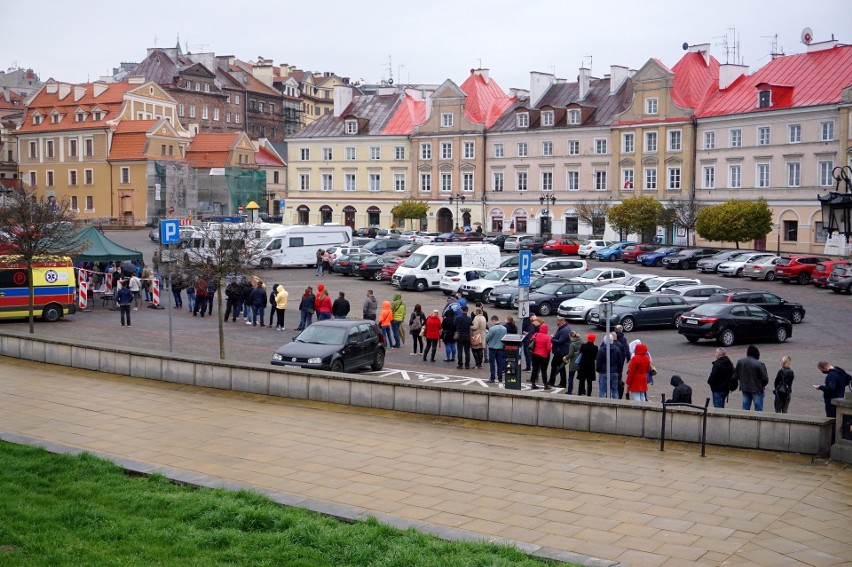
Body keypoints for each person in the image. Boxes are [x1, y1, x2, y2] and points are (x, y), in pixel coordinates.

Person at [735, 345, 769, 411]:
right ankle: (757, 421)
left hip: (745, 388)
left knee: (745, 408)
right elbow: (765, 379)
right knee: (758, 409)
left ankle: (745, 421)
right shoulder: (759, 364)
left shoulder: (740, 362)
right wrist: (761, 385)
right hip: (757, 389)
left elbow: (736, 376)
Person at [596, 332, 624, 399]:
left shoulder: (601, 350)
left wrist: (598, 369)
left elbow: (598, 361)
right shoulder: (617, 349)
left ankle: (602, 405)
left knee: (602, 390)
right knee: (614, 389)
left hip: (603, 372)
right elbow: (620, 361)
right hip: (614, 372)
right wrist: (619, 371)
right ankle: (615, 404)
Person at [548, 317, 572, 388]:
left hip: (561, 352)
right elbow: (559, 338)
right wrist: (554, 336)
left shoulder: (565, 330)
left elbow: (561, 341)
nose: (557, 325)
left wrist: (551, 340)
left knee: (560, 367)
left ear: (562, 322)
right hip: (559, 351)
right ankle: (552, 381)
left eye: (558, 324)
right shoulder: (563, 328)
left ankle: (561, 383)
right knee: (555, 366)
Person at [529, 323, 553, 389]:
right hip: (544, 356)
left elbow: (531, 342)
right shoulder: (547, 337)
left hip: (535, 355)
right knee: (543, 370)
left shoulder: (536, 335)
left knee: (535, 369)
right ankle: (545, 384)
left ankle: (533, 383)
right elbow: (548, 348)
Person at [486, 315, 507, 383]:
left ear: (493, 320)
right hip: (501, 348)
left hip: (492, 348)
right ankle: (500, 378)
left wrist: (487, 342)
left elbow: (487, 338)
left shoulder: (492, 329)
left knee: (492, 364)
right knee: (499, 363)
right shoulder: (504, 329)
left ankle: (492, 378)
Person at [454, 305, 473, 370]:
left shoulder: (457, 318)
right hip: (467, 336)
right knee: (467, 351)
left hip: (459, 336)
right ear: (467, 310)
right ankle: (467, 364)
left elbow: (455, 325)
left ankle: (460, 364)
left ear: (461, 310)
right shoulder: (469, 318)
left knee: (460, 351)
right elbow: (470, 326)